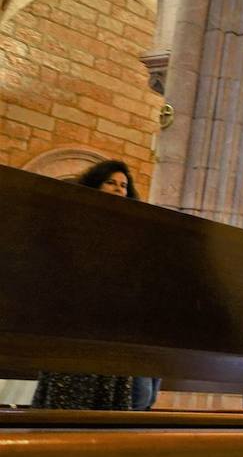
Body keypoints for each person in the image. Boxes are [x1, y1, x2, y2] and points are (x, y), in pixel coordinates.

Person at [31, 160, 159, 411]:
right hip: (76, 321)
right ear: (95, 185)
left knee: (134, 394)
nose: (118, 189)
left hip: (116, 322)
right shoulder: (75, 221)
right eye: (110, 182)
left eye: (123, 185)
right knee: (73, 394)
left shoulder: (133, 230)